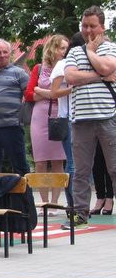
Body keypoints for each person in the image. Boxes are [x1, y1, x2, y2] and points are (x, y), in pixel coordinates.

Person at [63, 5, 116, 230]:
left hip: (108, 116)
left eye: (92, 26)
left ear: (102, 27)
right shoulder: (74, 51)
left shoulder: (111, 48)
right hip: (80, 120)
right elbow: (70, 77)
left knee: (115, 168)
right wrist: (100, 75)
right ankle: (79, 214)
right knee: (81, 171)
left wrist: (92, 53)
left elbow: (108, 66)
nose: (87, 30)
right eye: (84, 26)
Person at [25, 35, 69, 207]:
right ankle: (44, 202)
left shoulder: (68, 67)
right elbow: (28, 93)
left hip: (60, 112)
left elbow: (68, 91)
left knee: (58, 159)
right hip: (40, 115)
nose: (64, 52)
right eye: (61, 48)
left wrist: (42, 91)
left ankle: (55, 202)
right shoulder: (38, 68)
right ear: (52, 48)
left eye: (66, 48)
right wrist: (50, 93)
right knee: (41, 161)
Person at [0, 39, 30, 176]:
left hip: (12, 124)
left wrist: (22, 115)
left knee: (20, 165)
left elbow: (28, 94)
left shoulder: (19, 73)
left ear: (9, 54)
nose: (2, 55)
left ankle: (25, 197)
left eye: (5, 52)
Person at [50, 33, 82, 205]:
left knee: (83, 165)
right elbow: (54, 92)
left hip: (85, 117)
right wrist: (74, 88)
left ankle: (81, 204)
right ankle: (73, 204)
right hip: (68, 118)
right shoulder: (63, 64)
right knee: (72, 164)